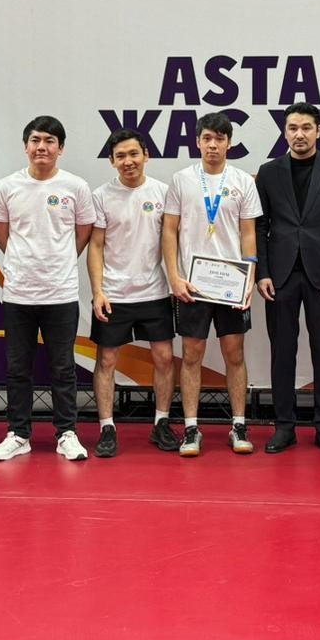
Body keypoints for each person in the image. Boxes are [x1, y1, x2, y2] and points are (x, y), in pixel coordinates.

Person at [0, 116, 96, 462]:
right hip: (18, 293)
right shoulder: (7, 186)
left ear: (60, 148)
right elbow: (1, 234)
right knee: (18, 368)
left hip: (61, 293)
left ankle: (67, 434)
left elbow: (83, 232)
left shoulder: (76, 186)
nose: (41, 147)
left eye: (49, 141)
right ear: (25, 146)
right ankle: (19, 434)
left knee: (62, 367)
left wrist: (59, 261)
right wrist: (24, 263)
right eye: (35, 141)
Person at [256, 103, 320, 455]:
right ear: (285, 131)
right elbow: (260, 227)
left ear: (318, 130)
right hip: (280, 276)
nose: (299, 134)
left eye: (306, 128)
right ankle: (284, 426)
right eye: (293, 128)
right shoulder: (268, 172)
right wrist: (263, 273)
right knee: (282, 353)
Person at [162, 112, 262, 457]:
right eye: (207, 138)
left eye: (220, 138)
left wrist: (249, 278)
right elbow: (169, 230)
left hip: (232, 283)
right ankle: (191, 428)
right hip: (192, 284)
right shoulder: (182, 180)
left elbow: (249, 234)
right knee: (192, 355)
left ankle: (239, 425)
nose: (213, 145)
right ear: (197, 142)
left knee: (235, 353)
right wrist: (174, 276)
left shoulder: (243, 181)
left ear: (229, 143)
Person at [88, 128, 178, 457]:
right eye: (121, 156)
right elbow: (95, 246)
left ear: (146, 156)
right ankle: (107, 427)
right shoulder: (101, 196)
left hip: (155, 291)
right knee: (107, 360)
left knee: (164, 358)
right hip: (114, 293)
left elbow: (174, 242)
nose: (128, 161)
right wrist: (98, 291)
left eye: (134, 154)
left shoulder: (164, 193)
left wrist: (176, 280)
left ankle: (161, 422)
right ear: (112, 161)